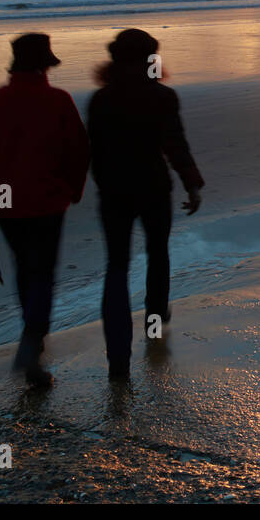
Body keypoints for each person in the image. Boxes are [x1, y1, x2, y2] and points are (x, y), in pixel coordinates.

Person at [0, 33, 89, 388]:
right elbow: (78, 151)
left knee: (24, 268)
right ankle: (33, 339)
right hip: (48, 200)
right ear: (46, 65)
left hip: (5, 203)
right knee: (42, 271)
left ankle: (32, 333)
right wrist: (73, 190)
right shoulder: (58, 100)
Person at [87, 29, 204, 380]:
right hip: (153, 185)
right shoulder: (163, 97)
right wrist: (192, 185)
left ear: (115, 58)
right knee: (157, 253)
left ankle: (118, 351)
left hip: (114, 191)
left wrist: (98, 184)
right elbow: (175, 144)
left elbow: (94, 151)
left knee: (117, 265)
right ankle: (156, 321)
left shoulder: (101, 100)